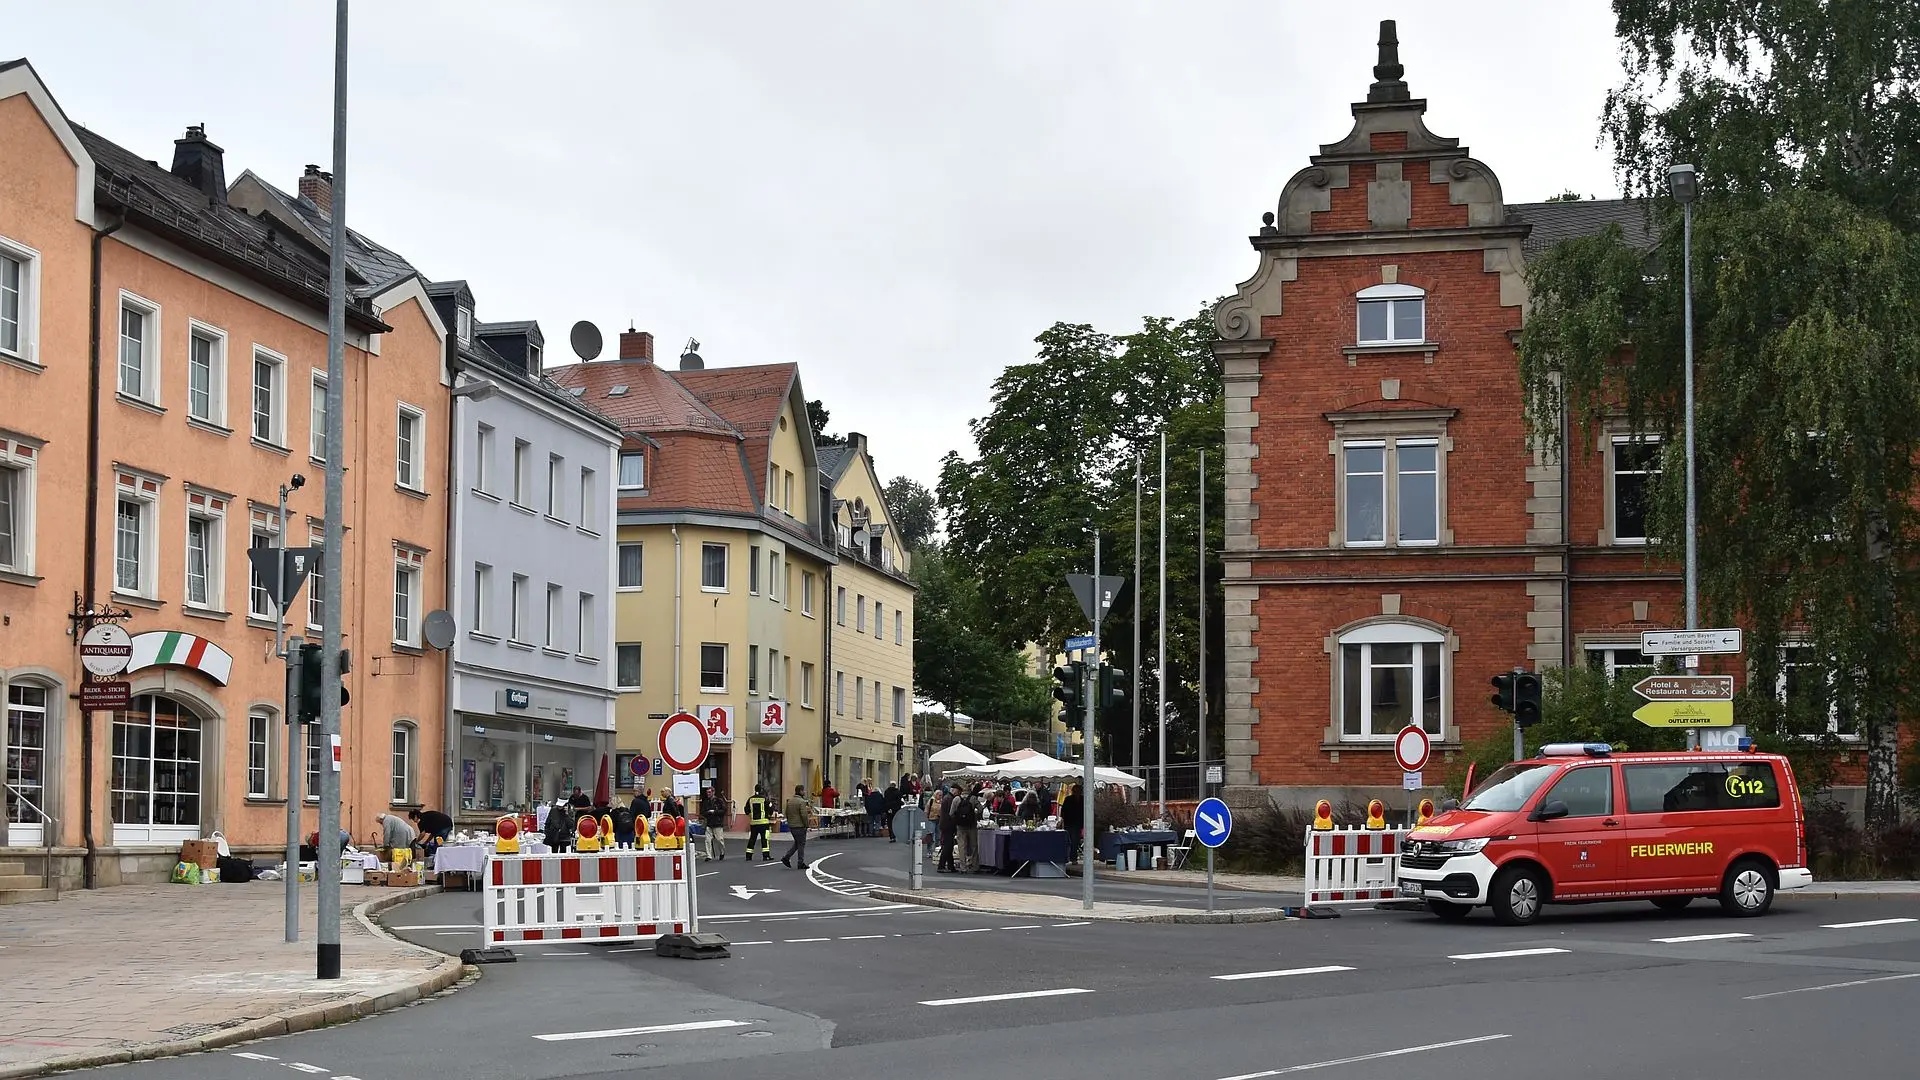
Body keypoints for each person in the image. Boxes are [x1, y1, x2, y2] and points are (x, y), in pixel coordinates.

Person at [781, 784, 812, 869]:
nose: (804, 792)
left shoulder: (790, 801)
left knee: (797, 843)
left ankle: (786, 858)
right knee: (801, 844)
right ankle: (800, 862)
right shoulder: (801, 802)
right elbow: (804, 815)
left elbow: (786, 813)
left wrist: (790, 822)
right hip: (800, 826)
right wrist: (806, 825)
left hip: (792, 826)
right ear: (800, 791)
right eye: (803, 790)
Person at [951, 785, 981, 872]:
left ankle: (963, 867)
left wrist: (957, 819)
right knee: (974, 846)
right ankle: (975, 866)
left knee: (961, 846)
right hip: (972, 826)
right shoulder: (973, 798)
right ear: (969, 791)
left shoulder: (956, 799)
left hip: (960, 827)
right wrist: (974, 815)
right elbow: (980, 809)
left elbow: (951, 813)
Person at [744, 784, 774, 861]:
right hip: (764, 823)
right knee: (765, 839)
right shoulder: (765, 799)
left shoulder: (750, 799)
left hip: (753, 823)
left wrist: (751, 816)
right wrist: (769, 815)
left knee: (752, 839)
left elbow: (746, 810)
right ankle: (766, 856)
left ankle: (748, 855)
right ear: (761, 790)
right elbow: (770, 809)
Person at [935, 784, 959, 873]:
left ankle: (950, 866)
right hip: (948, 825)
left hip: (945, 824)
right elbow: (951, 813)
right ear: (955, 790)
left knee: (949, 846)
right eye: (958, 791)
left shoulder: (947, 798)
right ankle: (941, 865)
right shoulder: (950, 799)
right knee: (948, 846)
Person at [701, 788, 728, 860]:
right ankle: (709, 856)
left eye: (709, 792)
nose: (708, 794)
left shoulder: (719, 801)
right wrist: (708, 813)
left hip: (717, 823)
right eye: (707, 792)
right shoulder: (706, 802)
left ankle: (722, 852)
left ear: (713, 792)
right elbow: (703, 812)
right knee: (707, 840)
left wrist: (715, 812)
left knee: (719, 840)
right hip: (709, 823)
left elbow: (724, 810)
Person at [1061, 784, 1085, 862]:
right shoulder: (1069, 799)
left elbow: (1063, 811)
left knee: (1074, 841)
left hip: (1076, 823)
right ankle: (1071, 857)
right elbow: (1063, 811)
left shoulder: (1083, 799)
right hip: (1070, 823)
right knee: (1071, 841)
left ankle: (1072, 857)